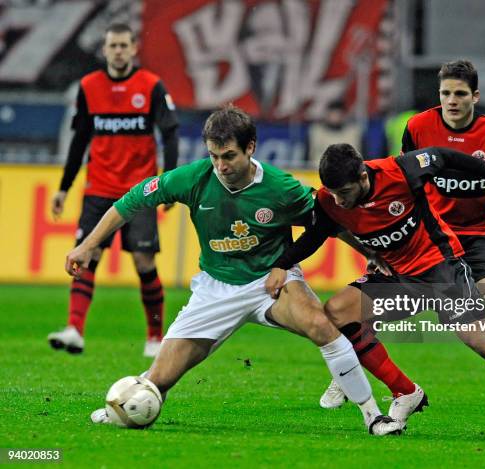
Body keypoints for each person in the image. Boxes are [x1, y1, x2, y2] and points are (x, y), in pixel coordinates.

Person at [72, 106, 403, 436]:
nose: (221, 165)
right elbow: (132, 200)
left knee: (321, 324)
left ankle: (373, 417)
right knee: (158, 381)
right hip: (215, 289)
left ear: (251, 147)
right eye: (214, 155)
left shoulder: (280, 188)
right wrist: (88, 244)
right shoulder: (193, 178)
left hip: (271, 282)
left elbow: (331, 223)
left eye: (229, 155)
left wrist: (370, 252)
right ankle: (123, 406)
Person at [266, 143, 485, 438]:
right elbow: (315, 235)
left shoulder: (400, 171)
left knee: (481, 340)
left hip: (441, 270)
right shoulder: (328, 201)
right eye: (333, 193)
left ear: (363, 176)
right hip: (398, 277)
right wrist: (282, 264)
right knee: (336, 311)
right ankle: (405, 392)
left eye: (344, 192)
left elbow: (445, 157)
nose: (339, 201)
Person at [318, 59, 485, 416]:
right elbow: (403, 180)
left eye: (459, 93)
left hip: (477, 232)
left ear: (475, 96)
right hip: (426, 235)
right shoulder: (418, 126)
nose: (452, 101)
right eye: (445, 93)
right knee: (362, 309)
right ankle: (349, 374)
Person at [47, 23, 179, 358]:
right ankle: (74, 329)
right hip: (99, 189)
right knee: (85, 255)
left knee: (144, 262)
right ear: (104, 50)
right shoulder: (89, 87)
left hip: (140, 192)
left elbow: (170, 133)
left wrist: (170, 183)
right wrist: (64, 187)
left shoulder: (150, 86)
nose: (118, 51)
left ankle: (154, 337)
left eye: (123, 45)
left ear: (134, 48)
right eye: (112, 46)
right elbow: (79, 140)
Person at [308, 99, 363, 168]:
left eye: (338, 114)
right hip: (316, 172)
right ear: (327, 115)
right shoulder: (316, 132)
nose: (335, 117)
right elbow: (308, 155)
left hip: (346, 173)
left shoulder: (353, 133)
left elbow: (359, 157)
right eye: (333, 114)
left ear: (343, 116)